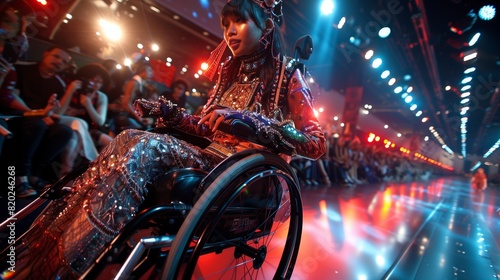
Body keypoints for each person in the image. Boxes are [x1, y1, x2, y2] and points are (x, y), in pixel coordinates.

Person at [12, 0, 326, 278]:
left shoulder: (288, 77)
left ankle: (70, 260)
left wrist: (254, 124)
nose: (229, 32)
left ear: (267, 26)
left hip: (240, 173)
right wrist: (172, 114)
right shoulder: (228, 76)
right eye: (226, 25)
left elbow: (315, 143)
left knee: (144, 148)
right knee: (127, 137)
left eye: (239, 22)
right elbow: (205, 128)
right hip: (209, 157)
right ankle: (58, 247)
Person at [0, 8, 73, 197]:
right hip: (15, 116)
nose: (58, 62)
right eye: (56, 56)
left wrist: (47, 114)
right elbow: (9, 97)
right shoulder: (21, 69)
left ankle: (35, 175)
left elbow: (56, 111)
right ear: (45, 54)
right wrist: (38, 113)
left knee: (64, 131)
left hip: (38, 118)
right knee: (38, 125)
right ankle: (18, 179)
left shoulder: (59, 84)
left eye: (63, 61)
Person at [57, 63, 113, 176]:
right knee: (74, 140)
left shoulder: (100, 96)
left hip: (90, 131)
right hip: (69, 127)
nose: (94, 83)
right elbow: (58, 113)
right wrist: (70, 91)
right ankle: (64, 176)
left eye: (99, 81)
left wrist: (88, 105)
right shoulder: (72, 89)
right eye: (91, 79)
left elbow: (100, 121)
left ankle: (95, 173)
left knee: (111, 144)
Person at [108, 62, 154, 134]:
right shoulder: (134, 82)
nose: (151, 73)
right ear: (142, 71)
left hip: (126, 114)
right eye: (149, 70)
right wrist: (139, 118)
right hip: (119, 114)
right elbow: (125, 103)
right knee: (141, 129)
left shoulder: (140, 84)